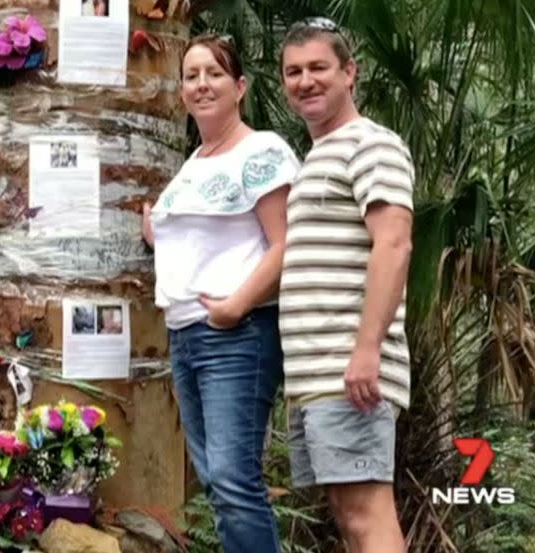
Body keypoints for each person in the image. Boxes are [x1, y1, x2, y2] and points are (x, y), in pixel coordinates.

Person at [141, 35, 298, 553]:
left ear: (240, 87)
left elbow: (285, 242)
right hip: (186, 335)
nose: (201, 84)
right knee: (216, 482)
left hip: (236, 334)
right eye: (191, 75)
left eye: (214, 73)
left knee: (234, 480)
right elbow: (200, 240)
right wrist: (156, 231)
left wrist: (236, 306)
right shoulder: (195, 161)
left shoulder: (262, 150)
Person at [278, 17, 413, 553]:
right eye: (293, 71)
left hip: (349, 369)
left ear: (349, 72)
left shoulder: (370, 144)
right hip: (318, 374)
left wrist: (366, 350)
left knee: (365, 514)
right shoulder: (318, 157)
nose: (305, 81)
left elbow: (395, 244)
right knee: (347, 512)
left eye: (318, 68)